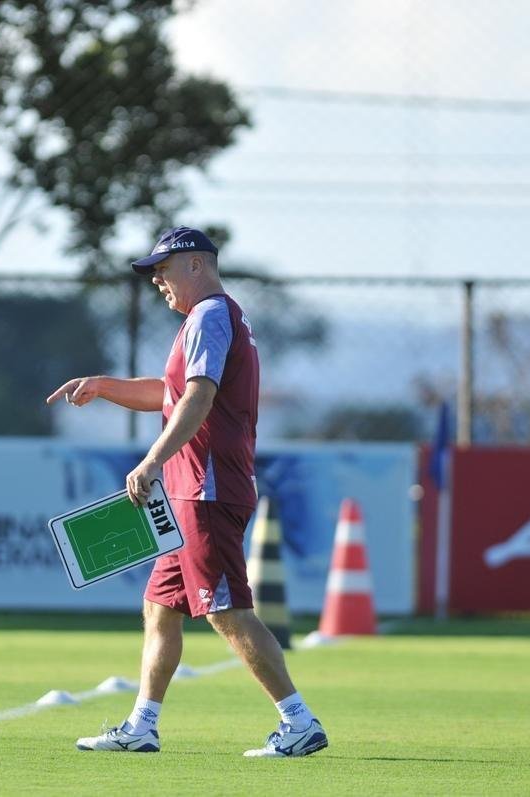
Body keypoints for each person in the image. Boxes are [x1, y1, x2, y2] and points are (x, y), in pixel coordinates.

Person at [45, 226, 327, 758]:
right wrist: (104, 386)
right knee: (160, 608)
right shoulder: (206, 320)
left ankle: (299, 721)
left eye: (163, 269)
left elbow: (197, 398)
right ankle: (142, 726)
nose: (157, 281)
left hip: (207, 489)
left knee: (226, 611)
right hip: (189, 493)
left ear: (196, 265)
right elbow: (170, 394)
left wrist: (152, 460)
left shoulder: (211, 316)